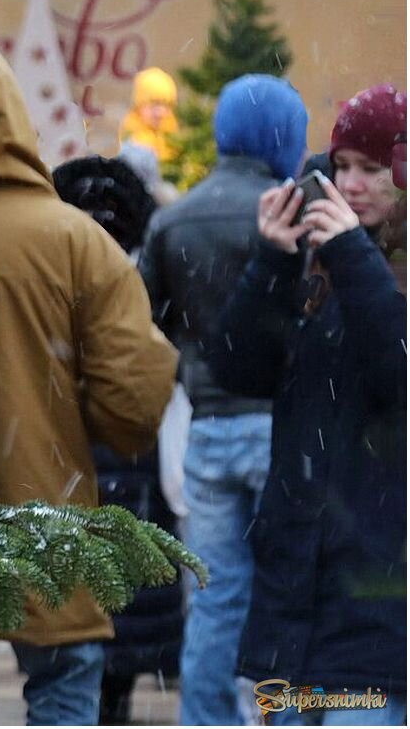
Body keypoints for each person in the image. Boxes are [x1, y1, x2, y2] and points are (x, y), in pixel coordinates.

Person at [0, 38, 177, 726]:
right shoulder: (75, 239)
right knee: (62, 686)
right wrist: (72, 424)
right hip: (48, 512)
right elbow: (134, 395)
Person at [211, 84, 406, 726]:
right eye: (340, 164)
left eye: (371, 169)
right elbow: (237, 367)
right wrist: (271, 259)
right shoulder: (322, 264)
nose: (349, 183)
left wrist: (352, 254)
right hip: (295, 590)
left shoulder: (357, 260)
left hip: (379, 595)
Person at [137, 74, 310, 725]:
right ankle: (281, 717)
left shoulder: (175, 218)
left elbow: (144, 317)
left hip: (206, 427)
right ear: (284, 134)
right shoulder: (291, 210)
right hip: (285, 431)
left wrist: (188, 362)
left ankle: (206, 718)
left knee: (213, 595)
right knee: (285, 593)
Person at [53, 155, 181, 725]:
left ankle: (107, 699)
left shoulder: (52, 267)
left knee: (81, 607)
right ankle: (115, 702)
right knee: (126, 590)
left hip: (64, 457)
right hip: (129, 455)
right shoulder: (140, 281)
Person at [119, 67, 180, 162]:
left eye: (167, 105)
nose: (161, 113)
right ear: (138, 105)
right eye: (154, 104)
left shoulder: (176, 139)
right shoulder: (128, 142)